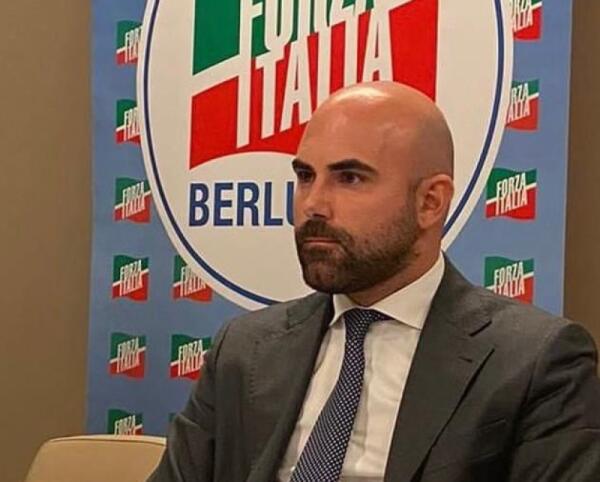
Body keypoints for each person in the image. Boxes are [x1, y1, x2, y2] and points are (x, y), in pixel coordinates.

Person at [148, 82, 600, 481]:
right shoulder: (244, 349)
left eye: (349, 178)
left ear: (430, 202)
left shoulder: (534, 361)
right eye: (305, 177)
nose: (313, 205)